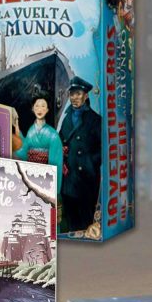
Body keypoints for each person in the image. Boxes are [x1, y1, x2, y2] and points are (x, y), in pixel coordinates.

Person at [58, 77, 102, 232]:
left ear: (86, 95)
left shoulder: (95, 120)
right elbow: (60, 140)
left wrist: (88, 163)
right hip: (69, 181)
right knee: (70, 223)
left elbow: (104, 150)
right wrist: (61, 150)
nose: (74, 98)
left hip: (86, 182)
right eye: (72, 94)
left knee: (85, 223)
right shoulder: (67, 118)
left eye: (78, 94)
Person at [14, 93, 63, 192]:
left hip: (45, 177)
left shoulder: (53, 134)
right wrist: (18, 131)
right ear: (33, 109)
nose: (40, 109)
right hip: (31, 174)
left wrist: (54, 188)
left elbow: (56, 162)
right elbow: (24, 151)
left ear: (47, 109)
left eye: (43, 106)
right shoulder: (31, 131)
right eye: (37, 106)